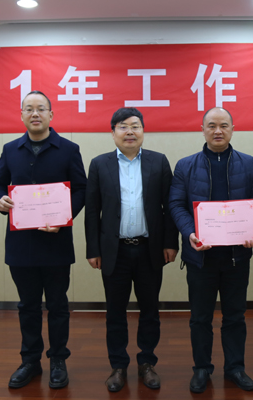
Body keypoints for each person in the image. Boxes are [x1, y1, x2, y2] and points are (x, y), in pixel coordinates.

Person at [0, 91, 87, 389]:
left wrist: (64, 216)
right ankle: (30, 361)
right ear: (21, 115)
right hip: (21, 244)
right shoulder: (10, 150)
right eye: (29, 109)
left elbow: (81, 190)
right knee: (28, 306)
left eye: (41, 109)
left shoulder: (68, 149)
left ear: (51, 115)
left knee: (57, 305)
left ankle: (58, 360)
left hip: (56, 243)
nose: (35, 113)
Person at [169, 107, 253, 393]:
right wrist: (191, 233)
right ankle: (201, 368)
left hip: (237, 256)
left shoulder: (248, 163)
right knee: (200, 318)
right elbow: (176, 204)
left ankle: (235, 368)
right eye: (211, 125)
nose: (218, 131)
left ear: (233, 129)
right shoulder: (185, 165)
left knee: (235, 316)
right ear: (203, 130)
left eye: (224, 125)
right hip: (201, 257)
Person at [85, 107, 178, 392]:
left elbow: (170, 206)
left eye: (135, 126)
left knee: (150, 310)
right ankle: (118, 366)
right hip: (115, 251)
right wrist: (93, 249)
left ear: (143, 131)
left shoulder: (158, 161)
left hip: (150, 249)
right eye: (123, 126)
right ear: (113, 132)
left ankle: (147, 362)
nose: (129, 132)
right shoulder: (99, 164)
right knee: (115, 312)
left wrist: (171, 243)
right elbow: (93, 211)